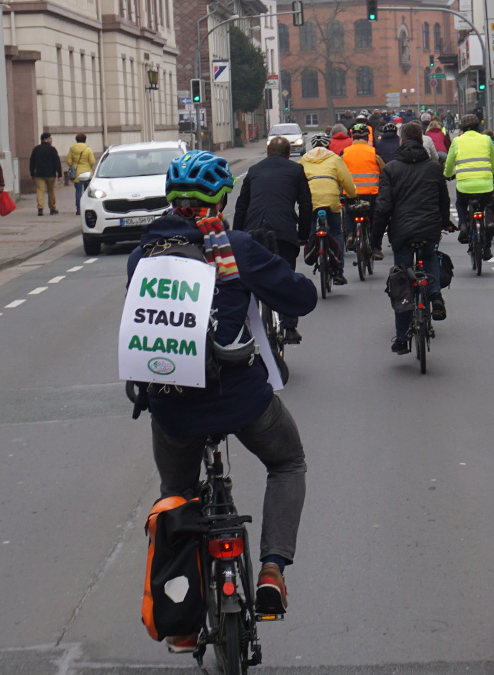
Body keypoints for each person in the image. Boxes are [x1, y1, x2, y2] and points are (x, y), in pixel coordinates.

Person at [126, 151, 317, 634]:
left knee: (177, 496)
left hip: (174, 408)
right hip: (241, 400)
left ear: (172, 201)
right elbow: (300, 297)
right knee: (287, 463)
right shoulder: (236, 248)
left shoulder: (141, 256)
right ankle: (272, 568)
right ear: (221, 200)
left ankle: (183, 612)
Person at [372, 122, 454, 355]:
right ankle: (435, 294)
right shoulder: (433, 168)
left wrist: (376, 240)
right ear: (421, 141)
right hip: (429, 228)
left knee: (402, 279)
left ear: (401, 141)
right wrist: (444, 221)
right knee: (429, 256)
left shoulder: (391, 169)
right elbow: (443, 200)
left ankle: (401, 338)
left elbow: (383, 207)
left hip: (402, 232)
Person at [232, 136, 314, 344]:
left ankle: (247, 327)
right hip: (283, 232)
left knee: (251, 278)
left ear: (267, 153)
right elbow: (306, 205)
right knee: (285, 276)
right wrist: (303, 235)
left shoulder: (253, 170)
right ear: (288, 154)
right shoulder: (296, 170)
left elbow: (241, 207)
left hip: (253, 232)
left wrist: (236, 237)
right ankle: (289, 328)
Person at [300, 132, 358, 286]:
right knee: (336, 232)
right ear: (328, 145)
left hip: (311, 200)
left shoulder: (304, 159)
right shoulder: (334, 158)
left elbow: (298, 181)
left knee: (311, 229)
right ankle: (338, 271)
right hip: (331, 198)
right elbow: (346, 179)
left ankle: (312, 252)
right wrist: (352, 195)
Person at [443, 114, 494, 249]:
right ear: (478, 126)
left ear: (462, 128)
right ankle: (486, 243)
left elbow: (449, 162)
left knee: (460, 203)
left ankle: (463, 225)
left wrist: (447, 174)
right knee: (486, 205)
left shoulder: (457, 141)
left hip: (465, 186)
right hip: (485, 185)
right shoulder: (486, 139)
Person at [341, 123, 386, 260]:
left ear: (352, 137)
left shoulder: (345, 153)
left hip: (351, 193)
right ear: (367, 137)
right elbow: (384, 171)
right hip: (371, 194)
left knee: (348, 212)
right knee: (375, 219)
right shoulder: (373, 152)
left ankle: (350, 234)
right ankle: (376, 248)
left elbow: (339, 172)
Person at [29, 132, 63, 215]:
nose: (51, 140)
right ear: (46, 140)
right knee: (51, 191)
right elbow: (57, 162)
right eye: (50, 138)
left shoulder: (36, 149)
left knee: (40, 190)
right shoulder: (52, 149)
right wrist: (59, 174)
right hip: (50, 174)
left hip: (39, 174)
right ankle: (52, 208)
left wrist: (32, 173)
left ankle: (40, 208)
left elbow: (32, 162)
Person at [66, 133, 95, 215]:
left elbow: (69, 161)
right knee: (87, 191)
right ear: (85, 140)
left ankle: (78, 208)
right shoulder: (88, 149)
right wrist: (89, 167)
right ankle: (87, 207)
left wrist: (73, 165)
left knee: (78, 191)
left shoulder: (72, 149)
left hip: (76, 173)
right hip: (87, 173)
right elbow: (92, 161)